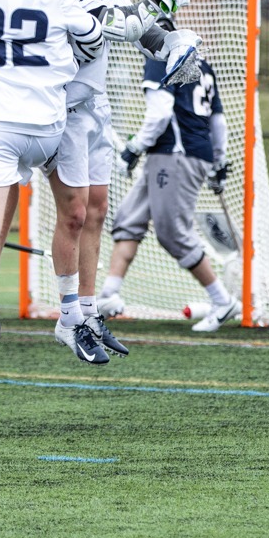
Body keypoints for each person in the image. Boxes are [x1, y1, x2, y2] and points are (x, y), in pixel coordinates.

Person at [0, 0, 201, 370]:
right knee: (66, 212)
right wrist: (159, 7)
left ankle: (24, 304)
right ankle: (63, 312)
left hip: (12, 118)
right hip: (55, 116)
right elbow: (102, 34)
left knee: (50, 213)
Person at [43, 0, 189, 358]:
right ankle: (69, 317)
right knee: (74, 212)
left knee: (98, 210)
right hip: (64, 101)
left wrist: (170, 44)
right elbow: (114, 27)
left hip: (94, 97)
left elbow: (134, 26)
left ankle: (88, 310)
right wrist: (159, 3)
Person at [97, 48, 241, 332]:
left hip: (175, 155)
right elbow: (218, 121)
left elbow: (161, 113)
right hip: (177, 154)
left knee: (172, 232)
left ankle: (222, 301)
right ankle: (108, 295)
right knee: (129, 219)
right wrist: (218, 160)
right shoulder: (201, 63)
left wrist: (134, 147)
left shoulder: (160, 56)